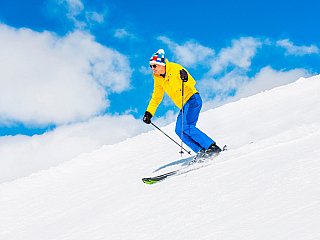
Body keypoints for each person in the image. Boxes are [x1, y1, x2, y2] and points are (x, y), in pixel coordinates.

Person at [143, 49, 222, 160]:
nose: (152, 69)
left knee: (186, 126)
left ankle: (211, 147)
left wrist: (186, 78)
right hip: (184, 104)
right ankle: (202, 151)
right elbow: (156, 97)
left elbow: (191, 82)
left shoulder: (175, 68)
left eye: (154, 66)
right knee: (179, 130)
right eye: (150, 66)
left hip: (192, 99)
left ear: (162, 64)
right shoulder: (158, 79)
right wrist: (149, 113)